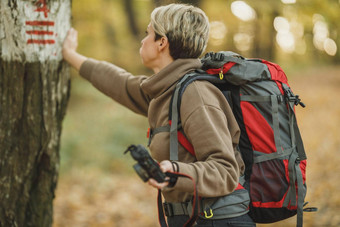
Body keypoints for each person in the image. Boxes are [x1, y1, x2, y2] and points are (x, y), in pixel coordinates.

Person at [62, 3, 255, 227]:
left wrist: (175, 171)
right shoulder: (166, 91)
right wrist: (70, 55)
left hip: (219, 221)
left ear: (162, 42)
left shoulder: (196, 94)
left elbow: (225, 170)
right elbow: (118, 82)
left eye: (148, 34)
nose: (143, 41)